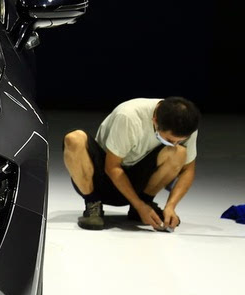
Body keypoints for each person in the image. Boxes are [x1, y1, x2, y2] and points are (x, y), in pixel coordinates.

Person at [63, 97, 200, 231]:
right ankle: (92, 204)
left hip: (137, 182)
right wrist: (139, 205)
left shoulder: (187, 125)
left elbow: (188, 170)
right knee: (74, 138)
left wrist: (170, 206)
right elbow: (112, 167)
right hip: (100, 179)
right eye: (169, 140)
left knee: (179, 152)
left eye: (179, 141)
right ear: (155, 121)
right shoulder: (129, 116)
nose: (174, 144)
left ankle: (145, 203)